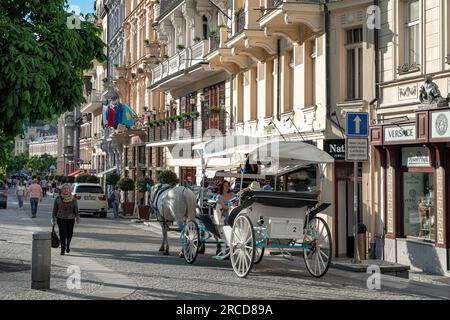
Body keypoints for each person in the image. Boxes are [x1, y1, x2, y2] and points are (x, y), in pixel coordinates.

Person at [52, 183, 80, 255]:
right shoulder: (58, 199)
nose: (66, 190)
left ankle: (68, 244)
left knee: (70, 233)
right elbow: (54, 210)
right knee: (62, 233)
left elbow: (76, 209)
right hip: (60, 218)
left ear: (70, 190)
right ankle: (62, 249)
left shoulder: (73, 199)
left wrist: (77, 217)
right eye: (64, 189)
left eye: (67, 188)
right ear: (61, 190)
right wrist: (53, 218)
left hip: (71, 218)